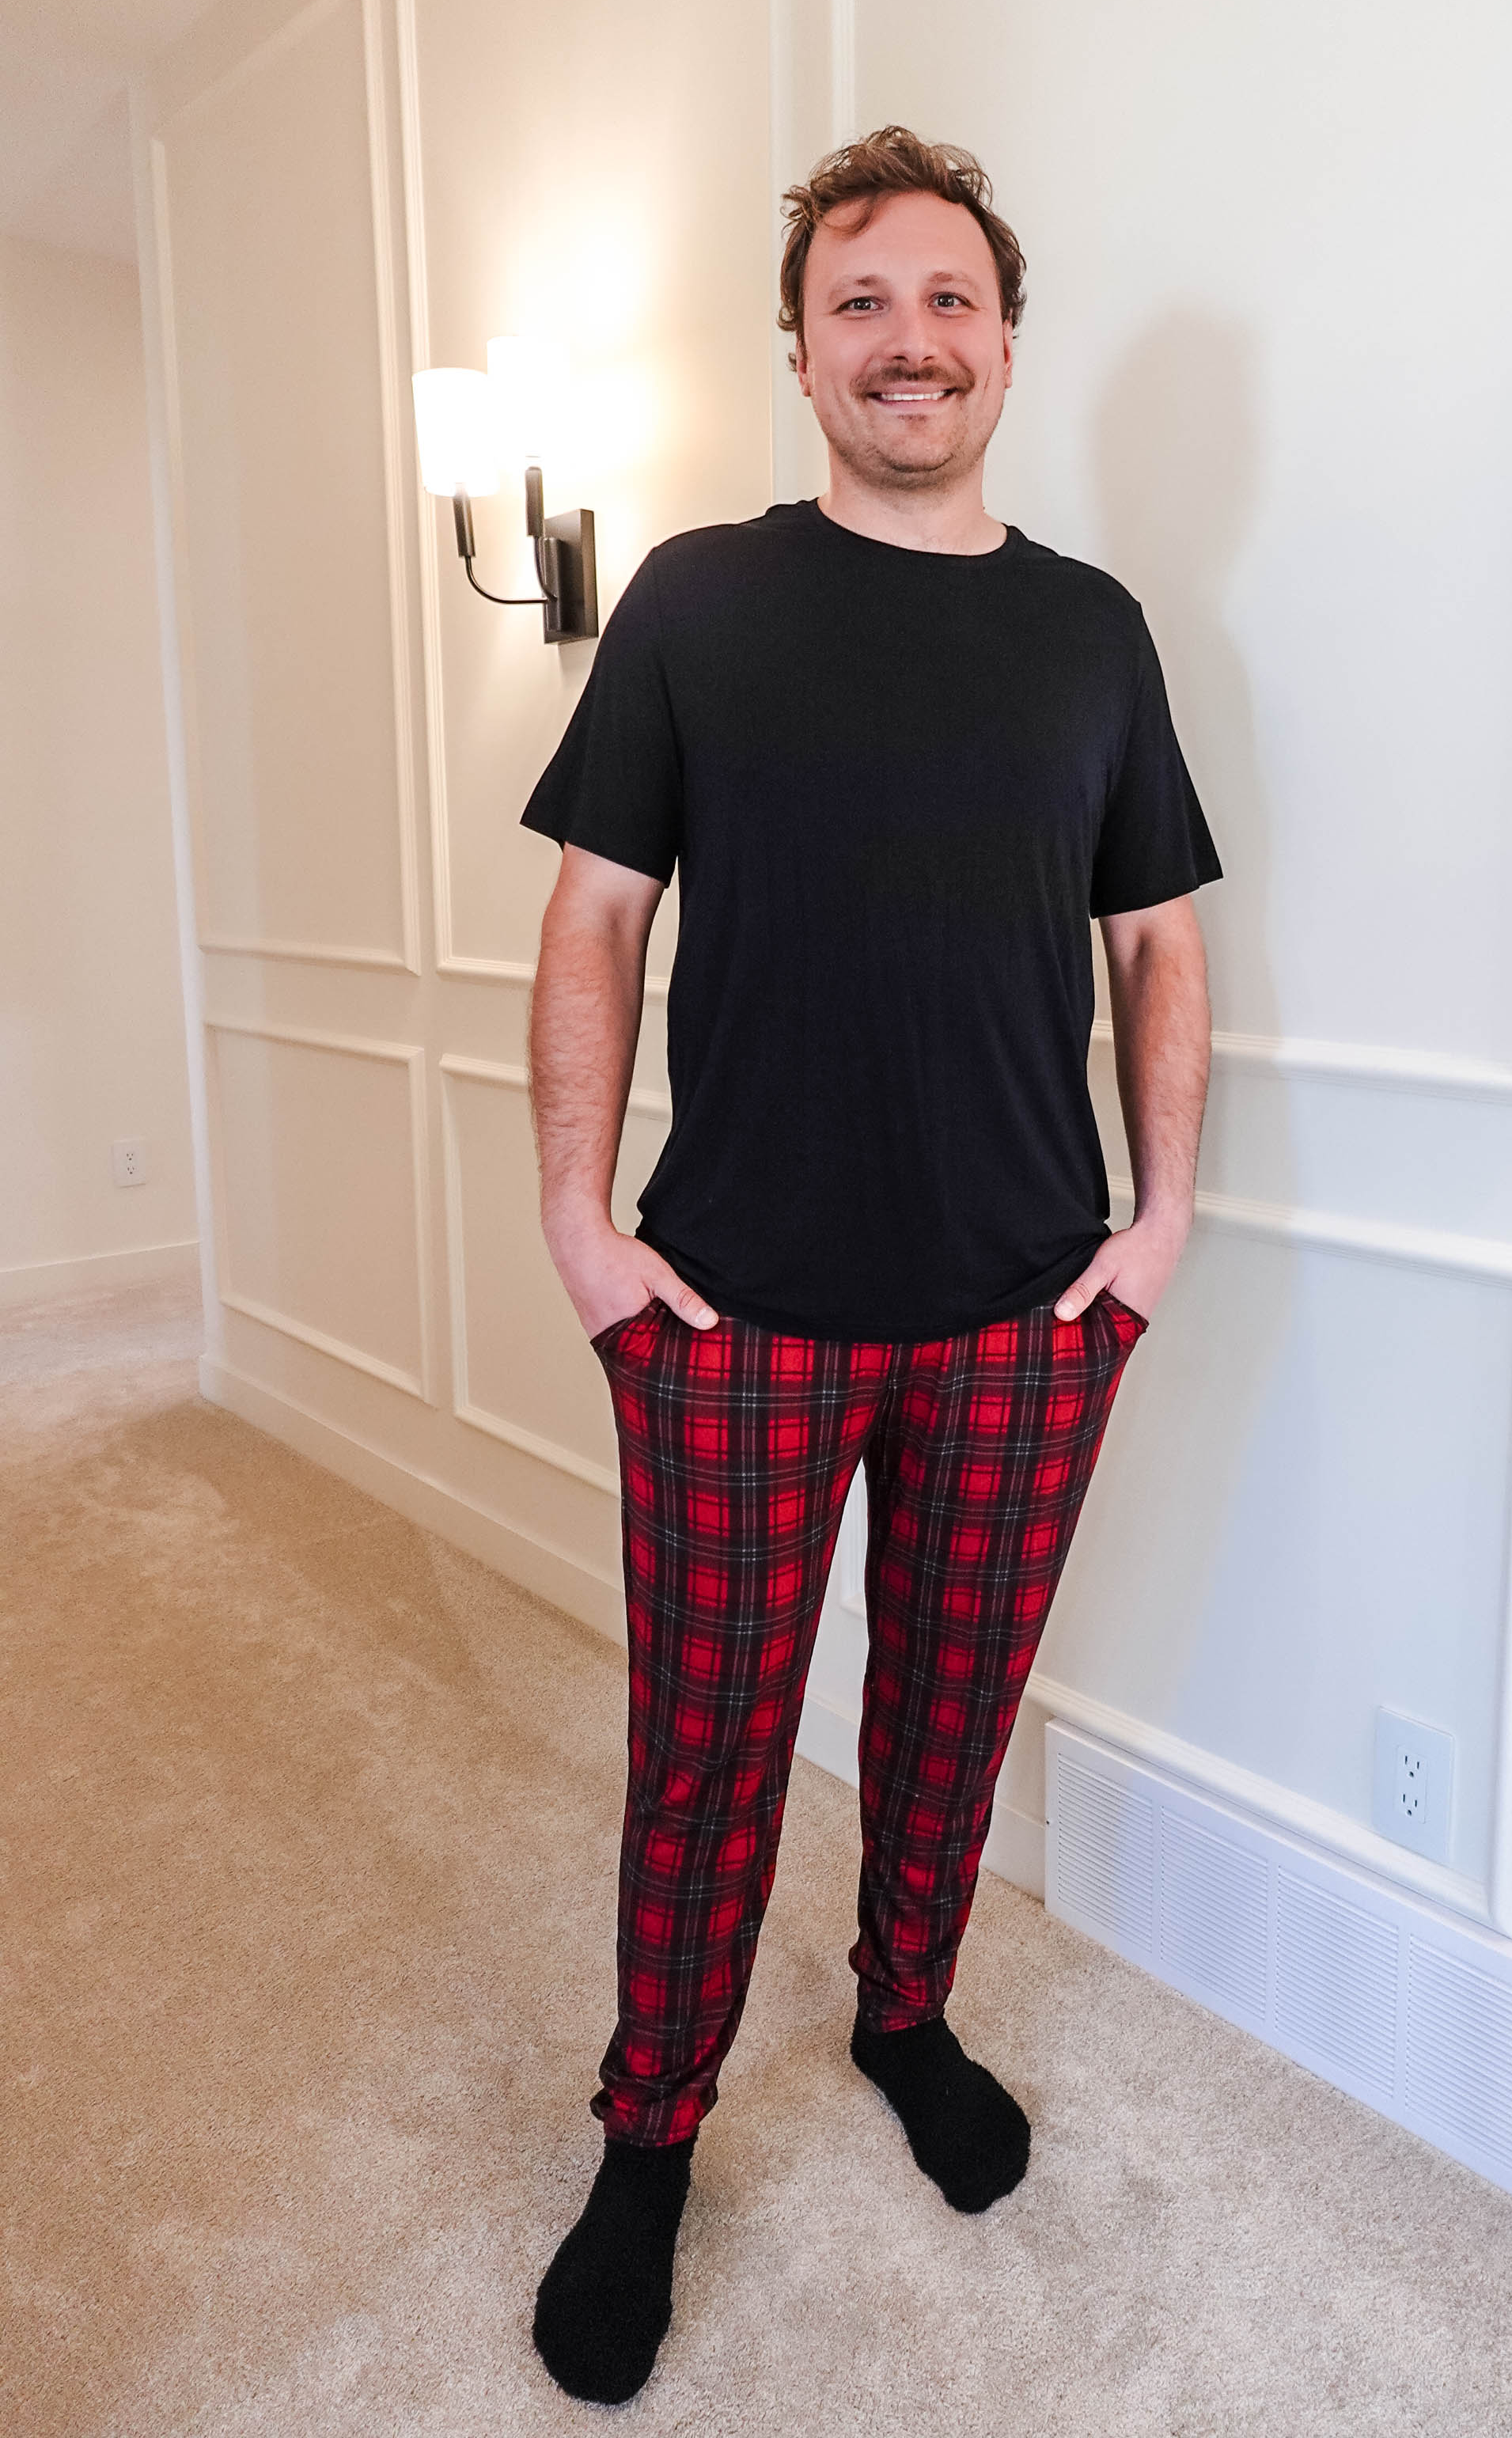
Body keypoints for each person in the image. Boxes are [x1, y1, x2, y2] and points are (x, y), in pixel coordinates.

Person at [517, 125, 1222, 2405]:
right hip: (732, 1318)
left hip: (1030, 1313)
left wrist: (1158, 1227)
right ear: (801, 349)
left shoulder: (1093, 630)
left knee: (950, 1709)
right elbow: (596, 918)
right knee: (709, 1743)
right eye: (861, 301)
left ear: (1007, 340)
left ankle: (902, 2015)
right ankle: (652, 2134)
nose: (908, 338)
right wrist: (578, 1226)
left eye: (949, 300)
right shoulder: (702, 604)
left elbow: (1160, 944)